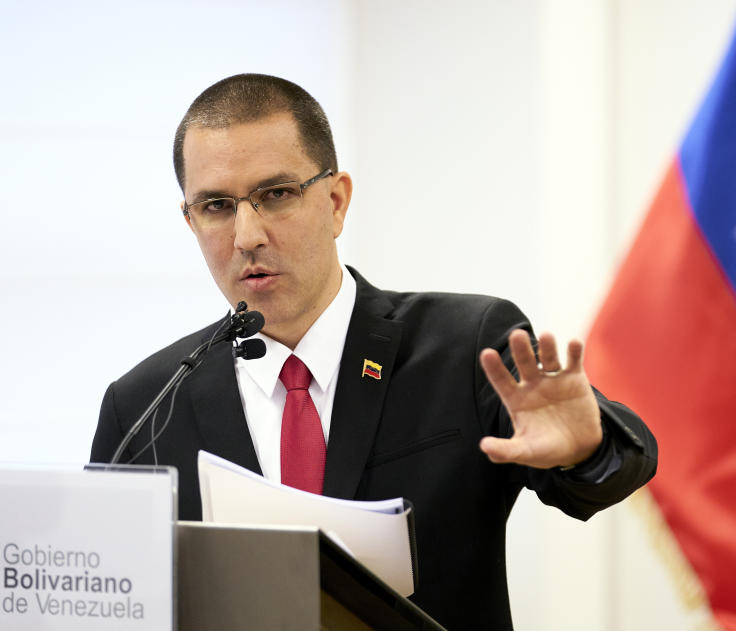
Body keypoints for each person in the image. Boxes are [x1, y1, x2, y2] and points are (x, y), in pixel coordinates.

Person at [90, 73, 657, 630]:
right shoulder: (144, 405)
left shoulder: (466, 347)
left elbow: (606, 475)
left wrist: (584, 451)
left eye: (276, 194)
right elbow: (110, 598)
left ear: (336, 202)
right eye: (216, 205)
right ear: (190, 221)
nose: (246, 236)